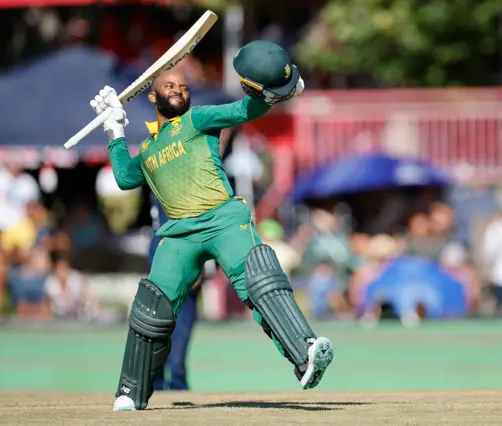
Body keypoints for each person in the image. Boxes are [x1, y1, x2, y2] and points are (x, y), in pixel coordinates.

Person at [91, 40, 333, 412]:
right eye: (170, 86)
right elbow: (124, 177)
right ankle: (131, 391)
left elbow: (243, 109)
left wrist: (273, 91)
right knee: (151, 307)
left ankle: (305, 353)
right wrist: (114, 129)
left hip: (221, 219)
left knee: (258, 277)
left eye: (183, 86)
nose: (179, 89)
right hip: (177, 234)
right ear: (152, 97)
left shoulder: (199, 119)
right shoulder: (149, 150)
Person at [149, 196, 200, 391]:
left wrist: (199, 263)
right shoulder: (162, 178)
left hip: (184, 260)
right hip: (163, 257)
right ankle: (157, 388)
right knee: (158, 339)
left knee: (177, 359)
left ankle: (177, 390)